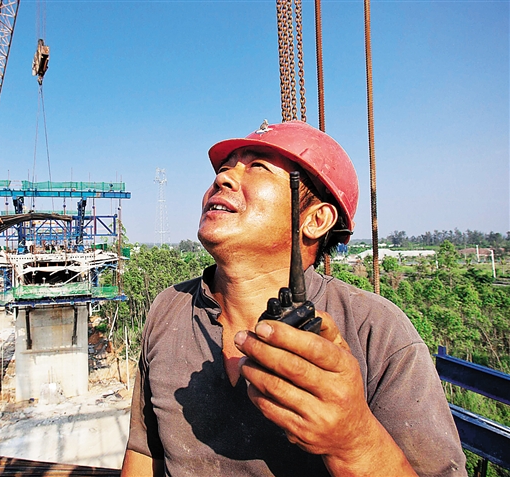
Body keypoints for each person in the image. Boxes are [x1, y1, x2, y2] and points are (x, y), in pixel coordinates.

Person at [121, 121, 466, 477]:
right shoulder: (169, 308)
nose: (223, 179)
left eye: (258, 167)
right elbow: (145, 452)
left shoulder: (377, 332)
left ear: (316, 219)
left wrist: (353, 441)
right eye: (224, 168)